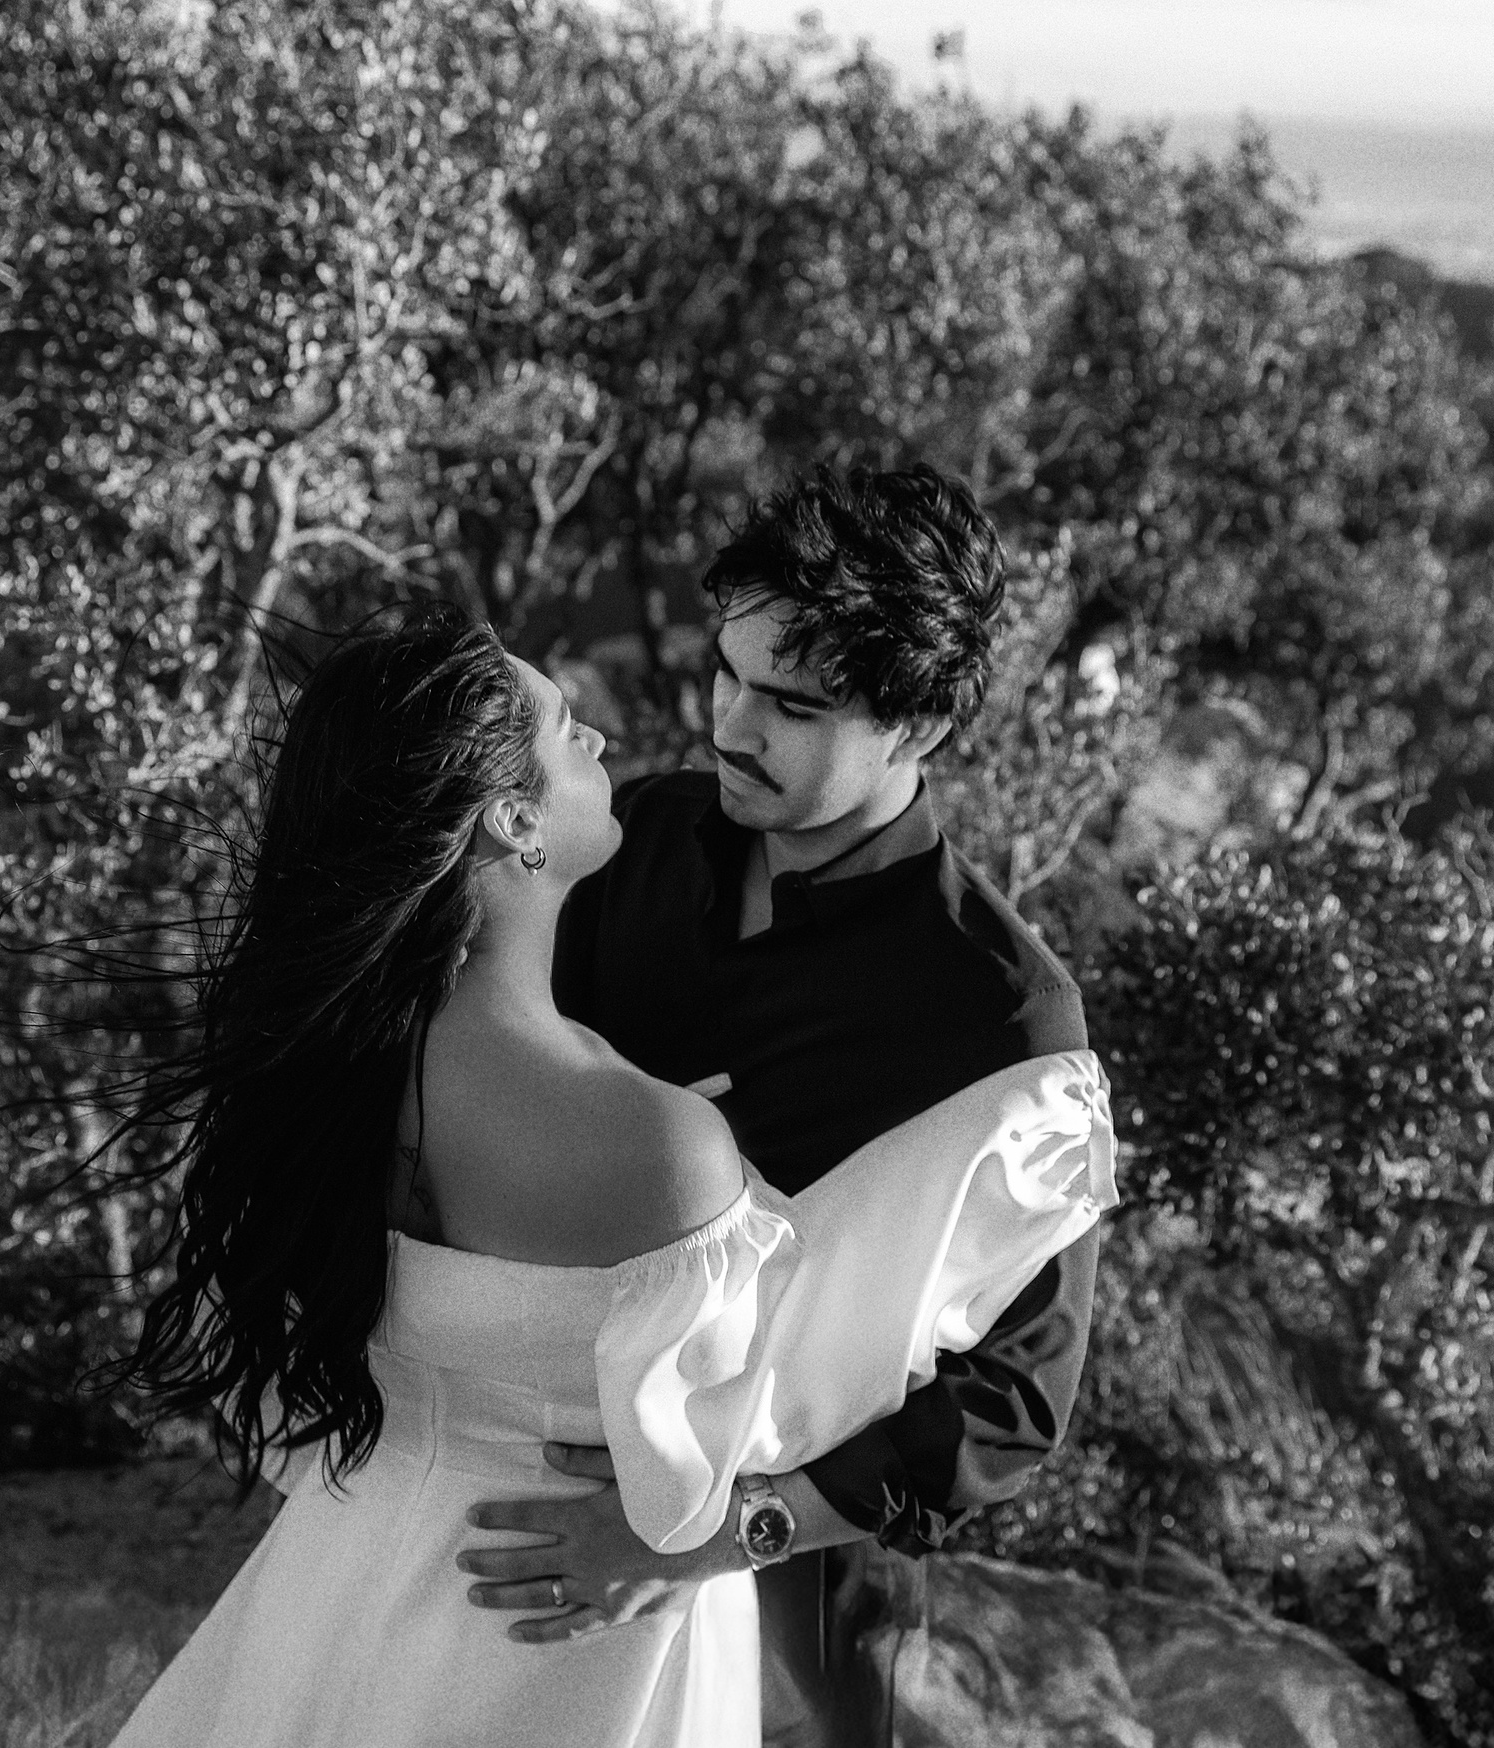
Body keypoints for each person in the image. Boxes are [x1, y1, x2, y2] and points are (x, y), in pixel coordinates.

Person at [102, 601, 1114, 1748]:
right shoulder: (665, 1140)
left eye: (791, 701)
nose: (605, 736)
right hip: (580, 1622)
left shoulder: (335, 1063)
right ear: (513, 818)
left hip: (348, 1564)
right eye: (564, 725)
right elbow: (787, 1385)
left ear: (913, 728)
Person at [457, 465, 1101, 1747]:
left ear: (918, 726)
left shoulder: (1003, 1022)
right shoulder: (636, 837)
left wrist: (712, 1537)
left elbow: (1015, 1399)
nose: (732, 724)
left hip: (794, 1595)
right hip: (514, 1494)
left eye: (794, 704)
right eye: (728, 673)